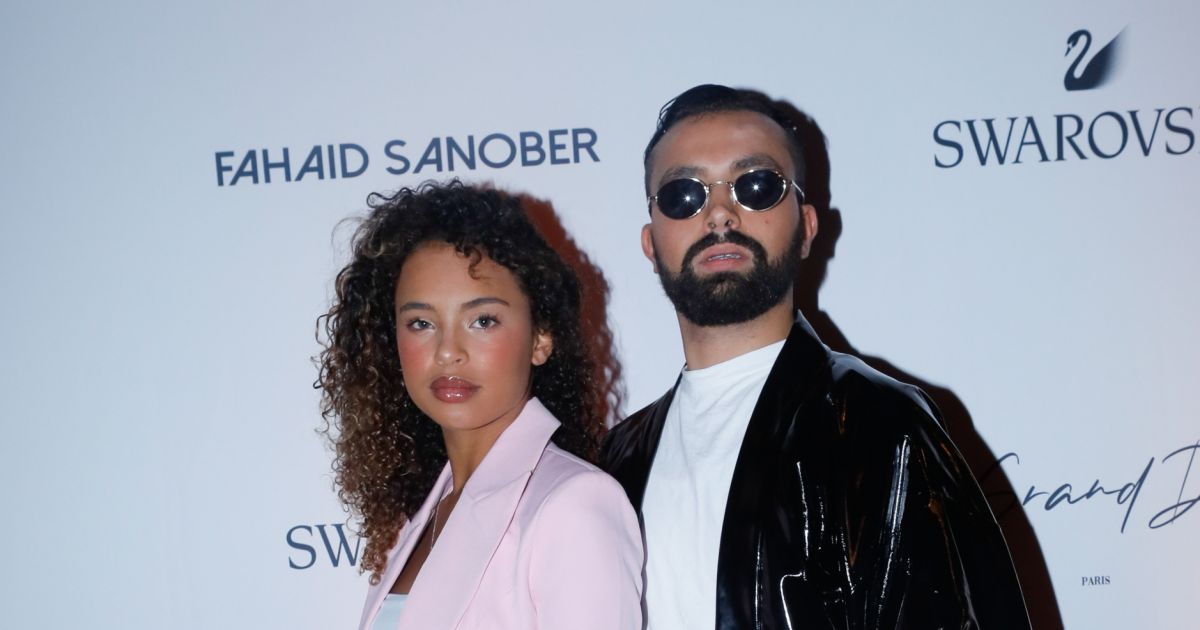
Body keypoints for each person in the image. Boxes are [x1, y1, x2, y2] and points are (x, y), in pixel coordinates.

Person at [601, 84, 1032, 629]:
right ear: (650, 242)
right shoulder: (615, 462)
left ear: (806, 227)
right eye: (683, 194)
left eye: (756, 185)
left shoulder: (878, 426)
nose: (719, 213)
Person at [318, 180, 643, 630]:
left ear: (541, 339)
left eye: (482, 320)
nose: (448, 351)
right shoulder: (416, 521)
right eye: (421, 322)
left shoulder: (574, 504)